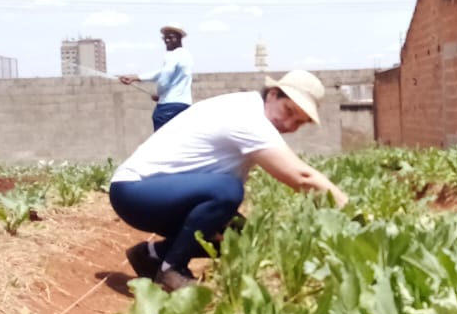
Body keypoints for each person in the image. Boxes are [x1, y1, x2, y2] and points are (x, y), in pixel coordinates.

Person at [110, 70, 348, 291]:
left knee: (241, 237)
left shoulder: (248, 108)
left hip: (160, 194)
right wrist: (350, 213)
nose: (289, 125)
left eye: (299, 123)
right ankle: (172, 270)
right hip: (135, 191)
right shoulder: (249, 118)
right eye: (289, 112)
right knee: (227, 191)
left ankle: (150, 255)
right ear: (273, 94)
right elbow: (301, 177)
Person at [120, 24, 194, 131]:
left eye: (171, 37)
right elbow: (162, 72)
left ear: (179, 38)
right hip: (184, 106)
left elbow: (164, 78)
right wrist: (136, 78)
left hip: (167, 107)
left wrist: (159, 94)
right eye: (165, 37)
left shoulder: (171, 55)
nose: (167, 40)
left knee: (162, 143)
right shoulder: (186, 55)